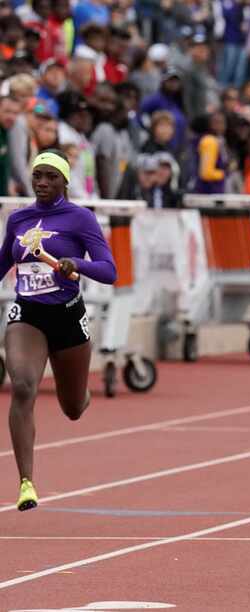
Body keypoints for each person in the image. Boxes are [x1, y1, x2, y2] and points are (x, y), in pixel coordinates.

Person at [0, 150, 116, 511]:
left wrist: (74, 263)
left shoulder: (80, 219)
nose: (43, 183)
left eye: (51, 176)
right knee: (21, 387)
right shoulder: (18, 219)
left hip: (68, 317)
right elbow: (4, 262)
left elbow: (109, 271)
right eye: (38, 176)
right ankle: (26, 483)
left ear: (65, 181)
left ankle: (81, 395)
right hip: (27, 314)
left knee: (72, 408)